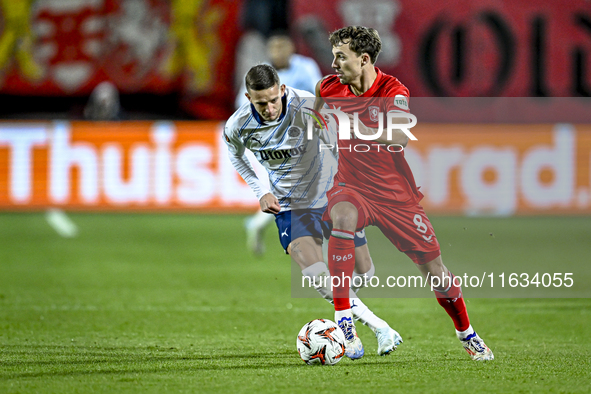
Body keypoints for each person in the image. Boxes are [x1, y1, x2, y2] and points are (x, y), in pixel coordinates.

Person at [315, 26, 494, 361]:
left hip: (394, 196)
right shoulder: (329, 87)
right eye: (334, 55)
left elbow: (398, 136)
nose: (333, 62)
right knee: (342, 216)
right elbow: (316, 114)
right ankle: (344, 320)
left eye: (341, 56)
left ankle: (467, 334)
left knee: (436, 272)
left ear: (364, 58)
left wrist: (355, 127)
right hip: (350, 186)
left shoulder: (393, 90)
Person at [224, 64, 402, 359]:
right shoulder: (238, 124)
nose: (268, 108)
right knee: (319, 276)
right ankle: (377, 328)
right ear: (248, 97)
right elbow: (235, 155)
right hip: (290, 206)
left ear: (282, 90)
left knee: (364, 271)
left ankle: (348, 315)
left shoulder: (307, 105)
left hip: (331, 197)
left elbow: (340, 140)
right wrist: (262, 192)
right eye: (260, 103)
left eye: (273, 100)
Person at [236, 32, 323, 255]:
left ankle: (256, 225)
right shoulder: (260, 73)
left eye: (282, 46)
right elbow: (242, 103)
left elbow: (318, 97)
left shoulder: (305, 67)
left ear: (292, 48)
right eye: (274, 47)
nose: (278, 51)